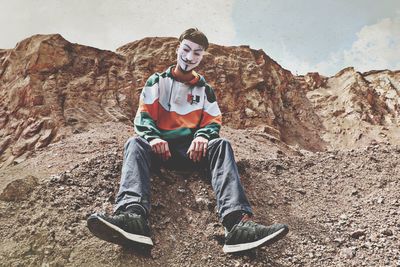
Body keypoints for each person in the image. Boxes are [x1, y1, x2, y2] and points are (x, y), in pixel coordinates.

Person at [87, 28, 289, 253]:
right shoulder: (157, 81)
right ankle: (133, 218)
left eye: (197, 53)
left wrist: (203, 136)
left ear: (202, 57)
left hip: (192, 153)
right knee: (134, 143)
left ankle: (236, 226)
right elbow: (143, 116)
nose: (189, 57)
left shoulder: (205, 90)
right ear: (178, 49)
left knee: (221, 145)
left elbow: (213, 120)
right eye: (186, 50)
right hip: (159, 150)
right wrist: (153, 138)